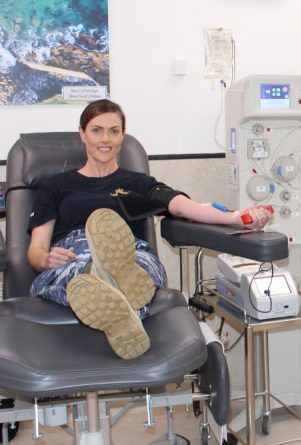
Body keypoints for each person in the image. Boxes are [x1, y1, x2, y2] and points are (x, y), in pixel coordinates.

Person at [27, 99, 273, 359]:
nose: (105, 139)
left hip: (129, 254)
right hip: (74, 254)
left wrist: (237, 218)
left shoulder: (138, 183)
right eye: (97, 130)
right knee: (79, 279)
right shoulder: (56, 186)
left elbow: (184, 207)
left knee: (143, 269)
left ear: (123, 136)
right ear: (82, 134)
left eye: (114, 131)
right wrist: (45, 258)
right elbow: (36, 250)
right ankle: (117, 300)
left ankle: (114, 299)